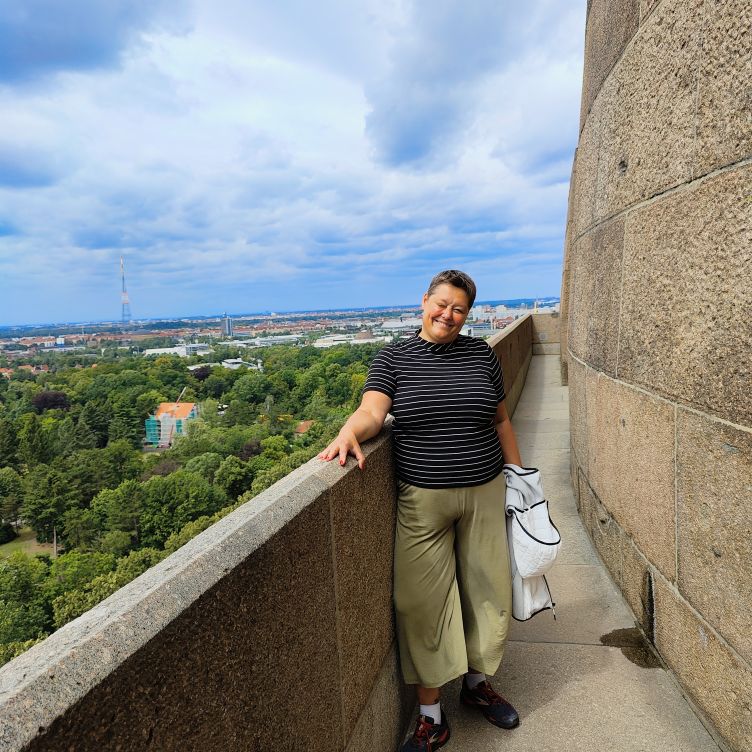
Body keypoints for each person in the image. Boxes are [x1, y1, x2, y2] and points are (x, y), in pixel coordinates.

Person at [318, 270, 522, 751]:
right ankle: (432, 716)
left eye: (459, 309)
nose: (448, 315)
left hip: (485, 489)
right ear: (424, 301)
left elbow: (501, 419)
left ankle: (476, 685)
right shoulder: (393, 357)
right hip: (423, 498)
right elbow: (373, 412)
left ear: (468, 315)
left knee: (486, 591)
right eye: (442, 304)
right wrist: (349, 431)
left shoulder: (481, 355)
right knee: (419, 602)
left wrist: (520, 477)